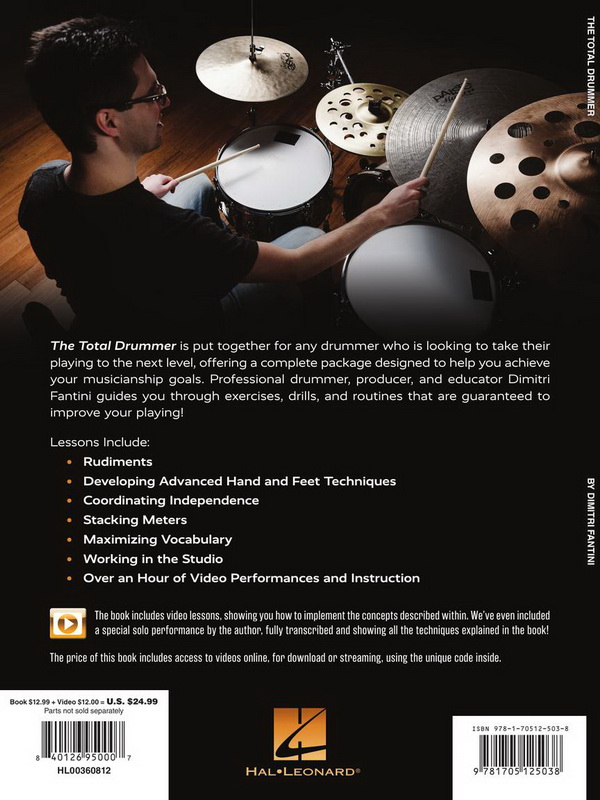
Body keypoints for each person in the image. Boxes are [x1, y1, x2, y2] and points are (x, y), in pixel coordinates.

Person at [19, 15, 427, 341]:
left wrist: (142, 194)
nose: (166, 101)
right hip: (182, 330)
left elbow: (101, 238)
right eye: (152, 94)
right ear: (108, 121)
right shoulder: (171, 233)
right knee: (307, 238)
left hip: (109, 310)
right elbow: (296, 266)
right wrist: (382, 215)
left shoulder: (43, 182)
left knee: (194, 185)